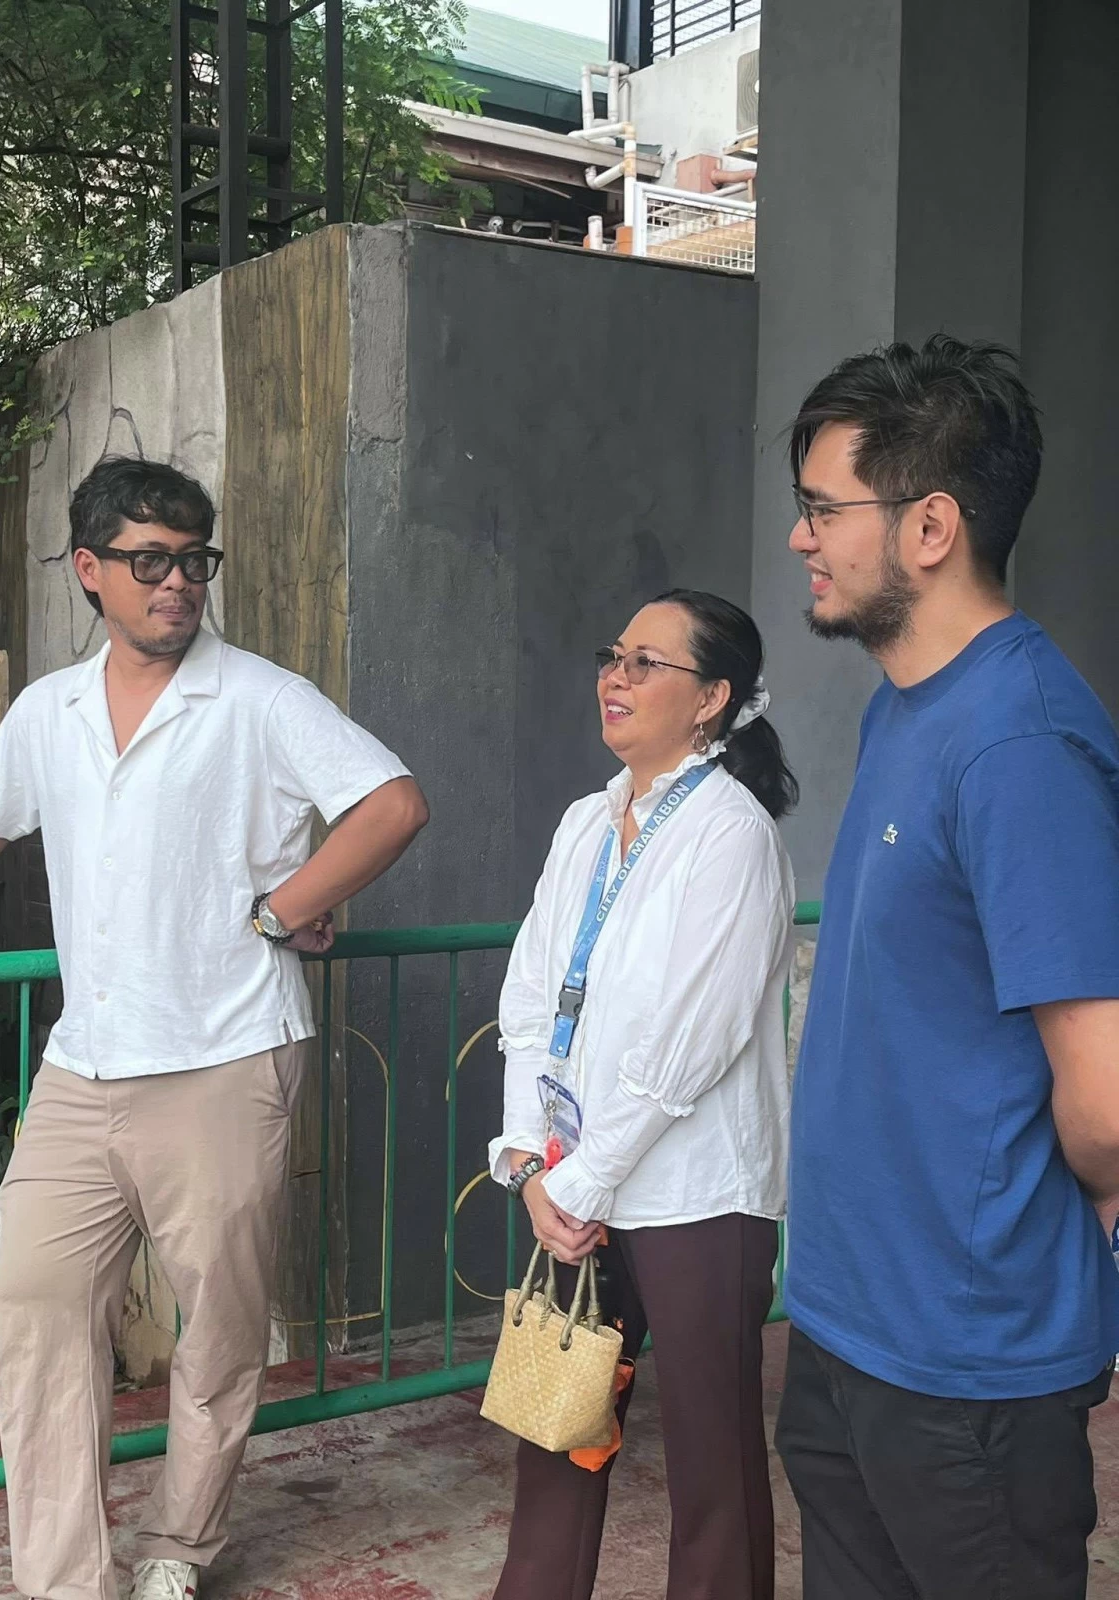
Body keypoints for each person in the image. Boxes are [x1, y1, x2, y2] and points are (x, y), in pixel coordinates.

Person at [0, 455, 428, 1600]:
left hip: (227, 1062)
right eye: (150, 560)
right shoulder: (46, 711)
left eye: (195, 558)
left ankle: (175, 1546)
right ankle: (66, 1581)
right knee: (38, 1315)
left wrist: (284, 903)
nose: (178, 582)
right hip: (81, 1069)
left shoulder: (257, 697)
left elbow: (391, 802)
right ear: (89, 570)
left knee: (219, 1334)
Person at [776, 335, 1119, 1599]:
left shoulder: (1021, 743)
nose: (803, 536)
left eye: (824, 508)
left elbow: (1108, 1105)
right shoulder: (906, 705)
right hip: (849, 1319)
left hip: (967, 1361)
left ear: (930, 526)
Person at [488, 589, 798, 1600]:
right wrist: (533, 1160)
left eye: (645, 664)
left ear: (711, 698)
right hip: (575, 1183)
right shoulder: (586, 821)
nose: (614, 679)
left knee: (714, 1460)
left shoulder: (731, 833)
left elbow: (690, 1044)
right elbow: (530, 1002)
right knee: (557, 1424)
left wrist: (587, 1179)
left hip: (697, 1195)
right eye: (611, 655)